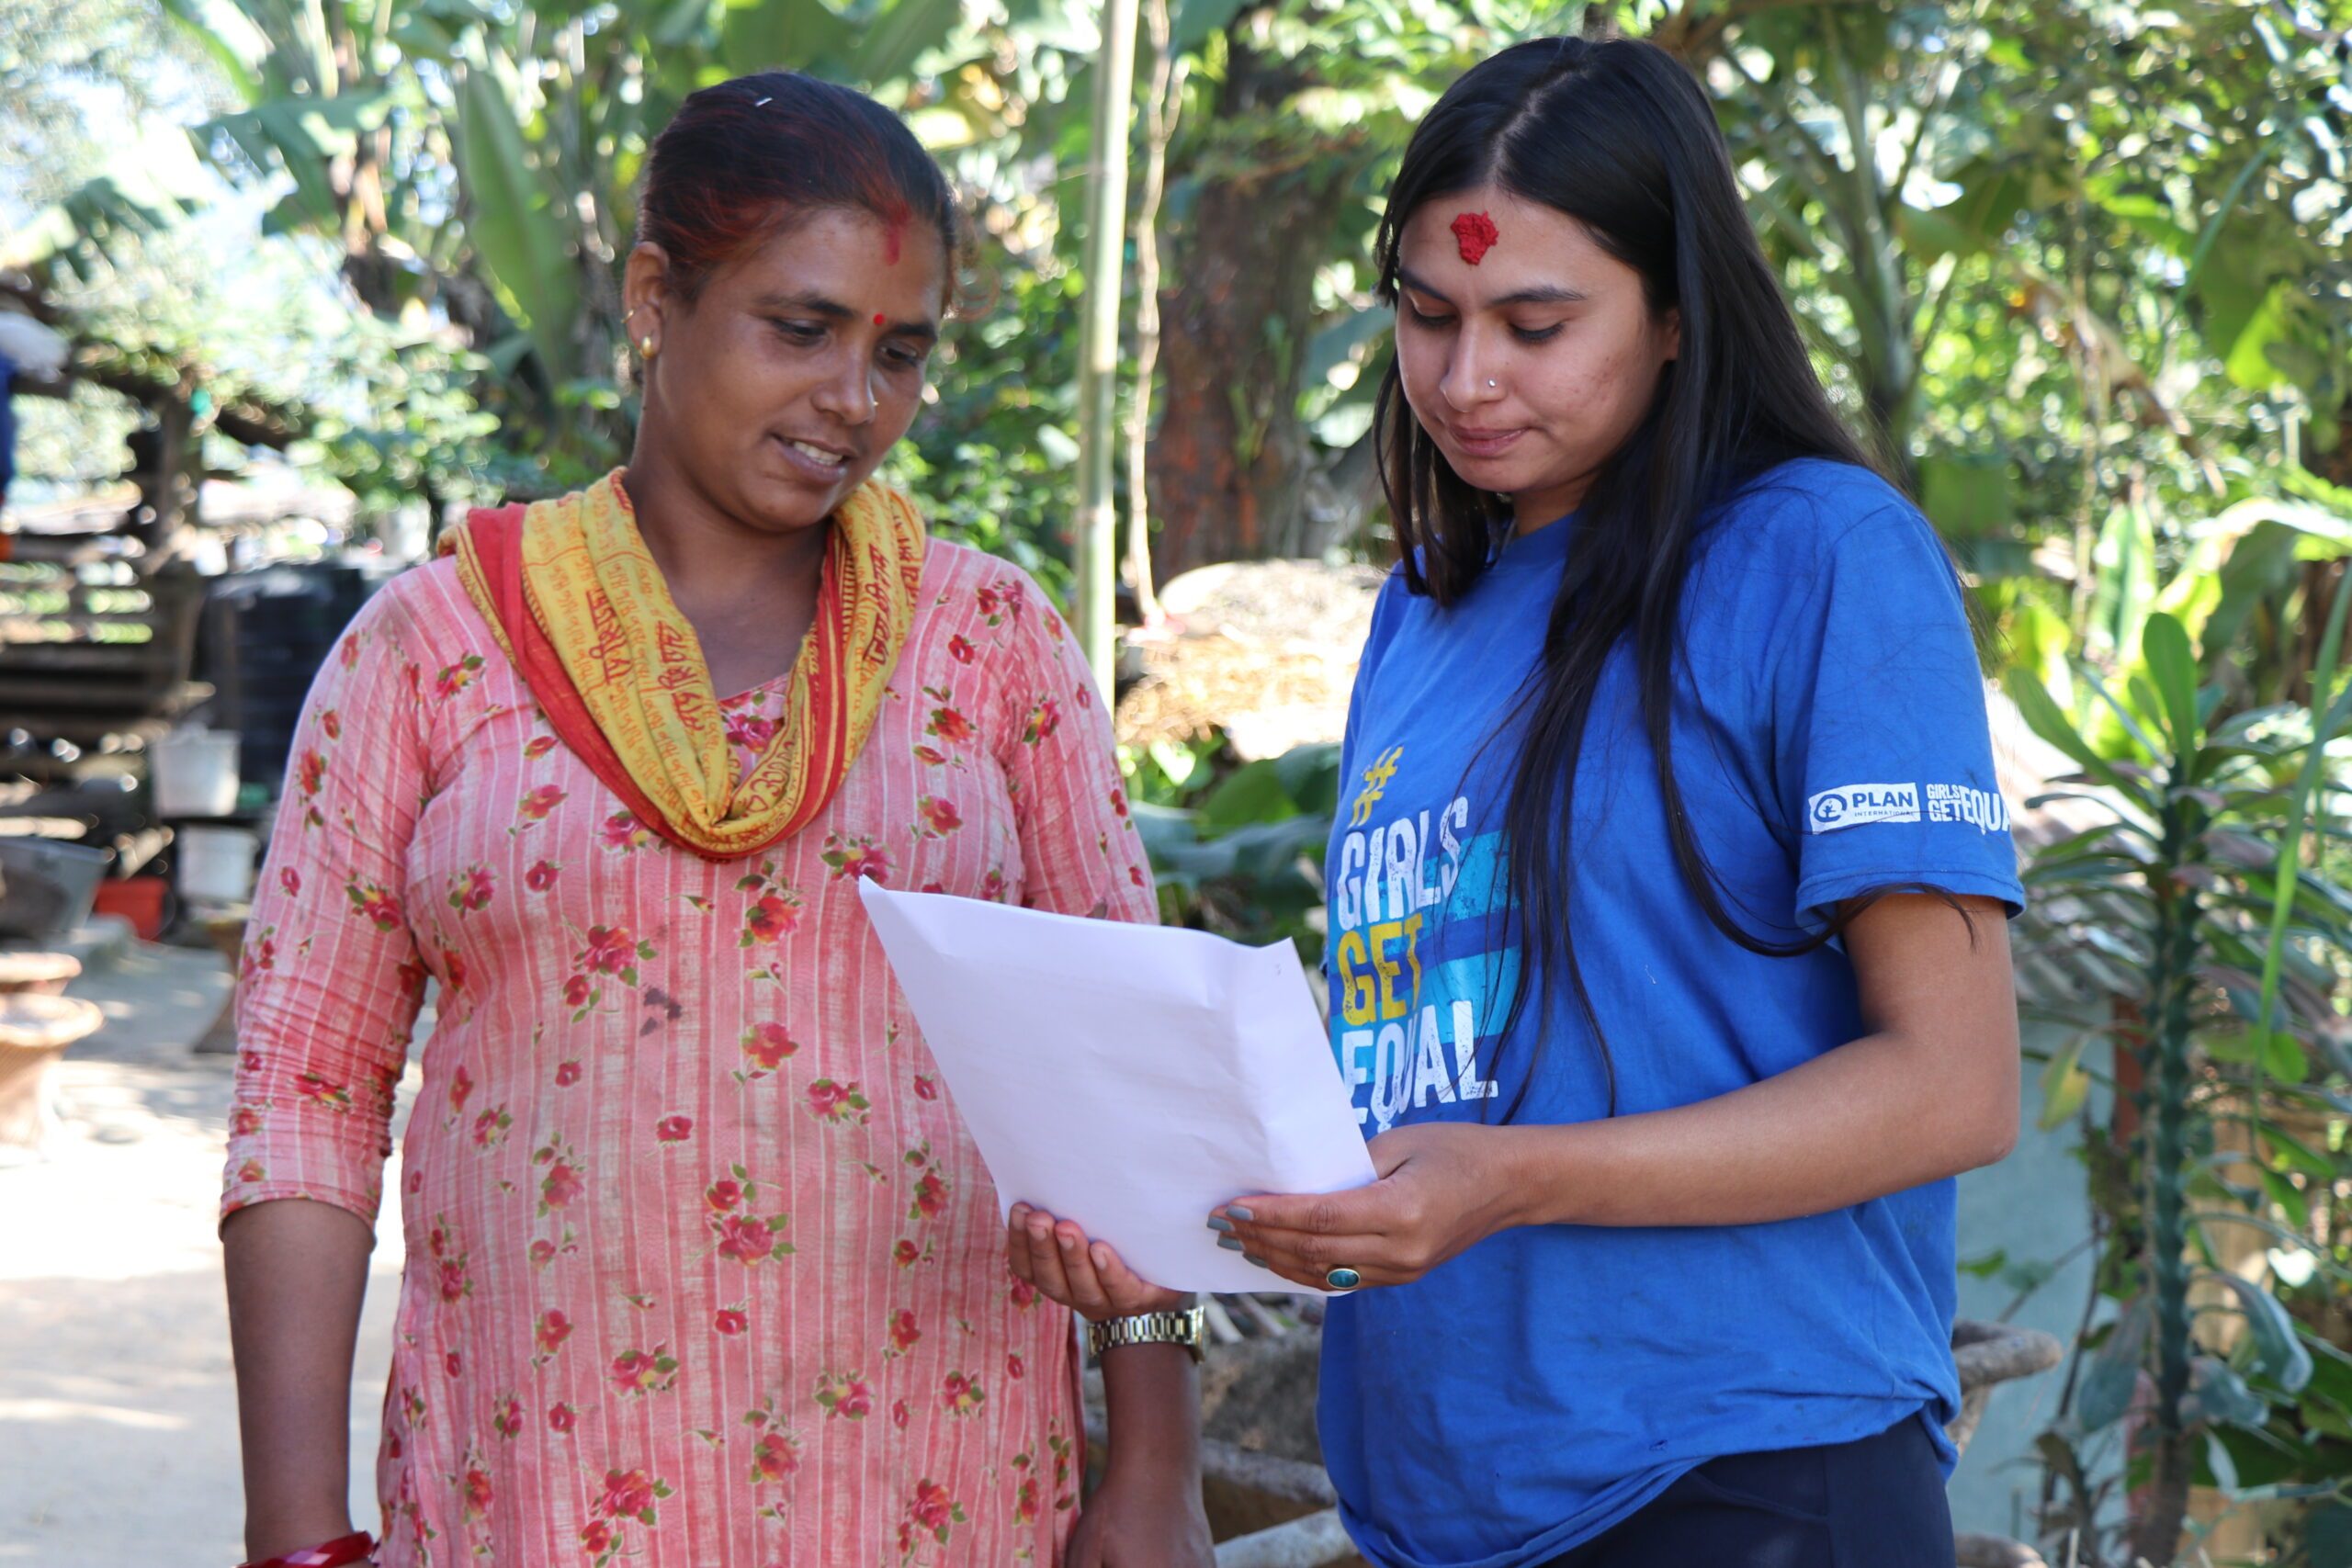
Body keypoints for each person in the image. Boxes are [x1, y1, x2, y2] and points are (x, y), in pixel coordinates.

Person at [1010, 34, 2023, 1568]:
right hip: (1443, 1499)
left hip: (1741, 1477)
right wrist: (1168, 1210)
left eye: (1536, 324)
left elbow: (1955, 1087)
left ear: (1679, 313)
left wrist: (1516, 1181)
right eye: (1428, 316)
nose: (1466, 379)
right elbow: (1436, 1073)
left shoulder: (1822, 557)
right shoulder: (1424, 612)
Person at [222, 71, 1212, 1568]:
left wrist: (1155, 1472)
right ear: (652, 299)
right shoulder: (434, 650)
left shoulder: (989, 645)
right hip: (534, 1504)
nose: (853, 399)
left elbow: (1132, 1076)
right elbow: (306, 1097)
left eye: (901, 352)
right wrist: (297, 1535)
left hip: (939, 1495)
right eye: (800, 327)